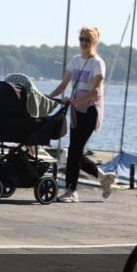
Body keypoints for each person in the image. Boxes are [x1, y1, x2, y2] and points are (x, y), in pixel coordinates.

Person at [48, 26, 116, 202]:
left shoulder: (97, 63)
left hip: (91, 109)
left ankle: (72, 191)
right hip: (76, 109)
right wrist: (49, 96)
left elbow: (96, 91)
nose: (84, 43)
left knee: (75, 150)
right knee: (75, 151)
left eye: (88, 39)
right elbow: (64, 85)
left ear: (94, 42)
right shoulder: (75, 60)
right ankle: (103, 178)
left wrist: (75, 101)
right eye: (81, 39)